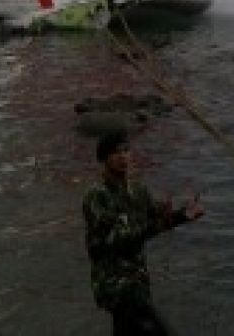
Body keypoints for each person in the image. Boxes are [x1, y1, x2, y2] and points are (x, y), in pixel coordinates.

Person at [82, 131, 204, 335]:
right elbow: (117, 238)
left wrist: (184, 214)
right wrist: (156, 226)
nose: (122, 157)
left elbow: (158, 220)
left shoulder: (139, 191)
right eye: (115, 152)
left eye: (126, 150)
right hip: (115, 285)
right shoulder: (96, 197)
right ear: (104, 159)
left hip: (138, 281)